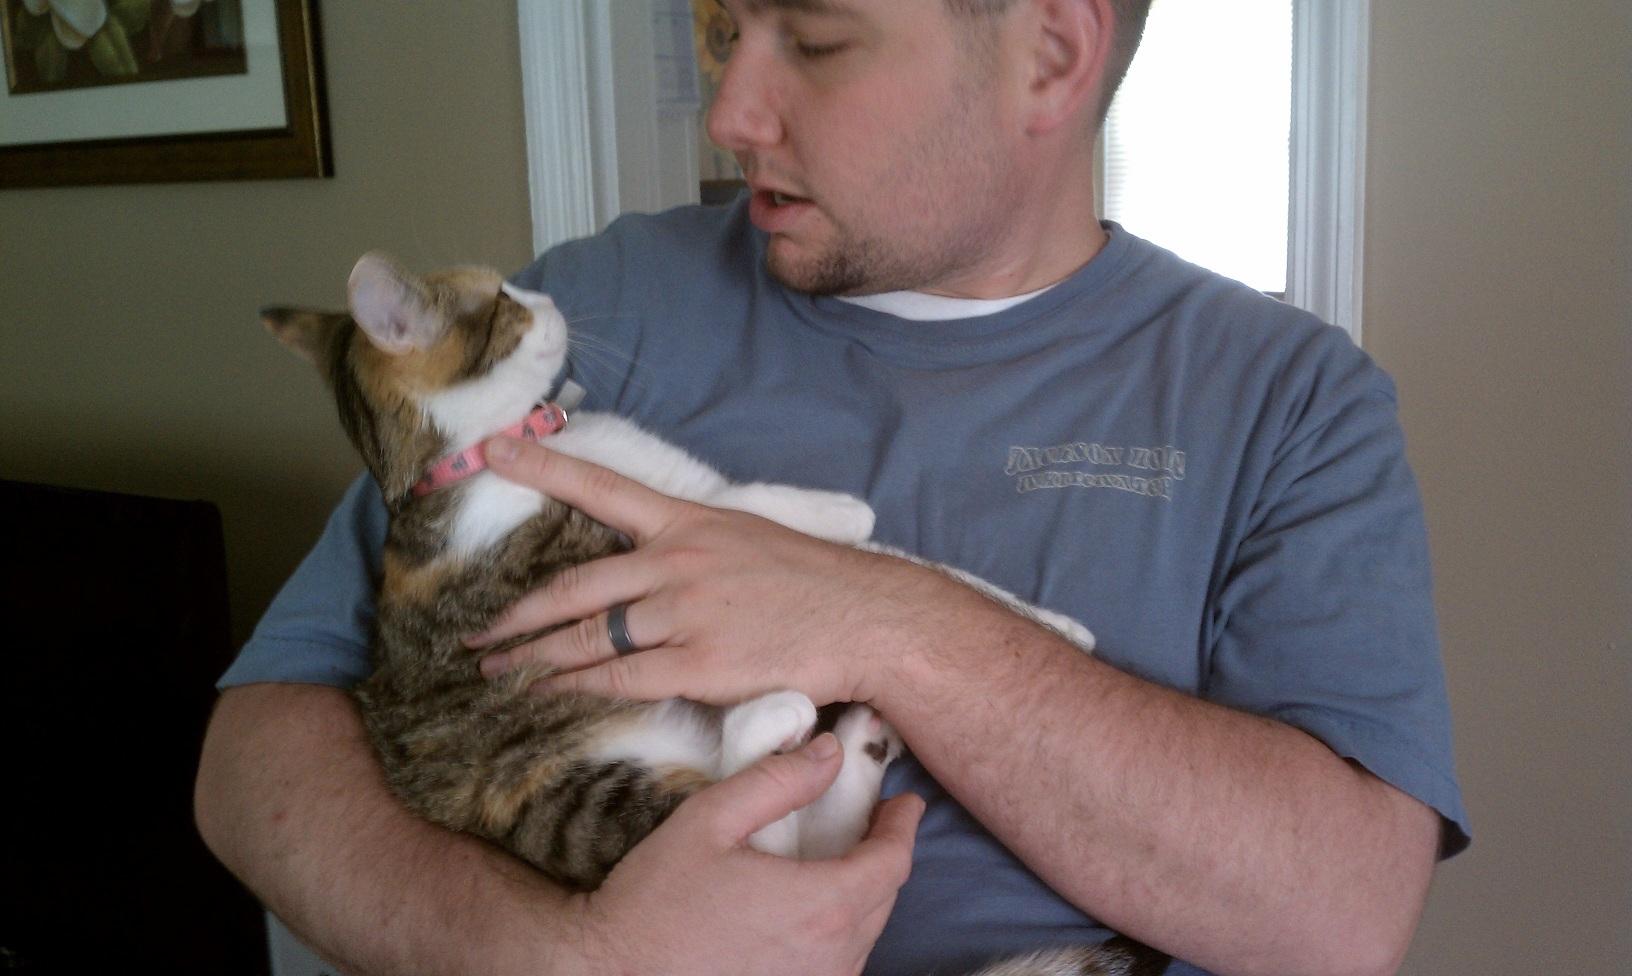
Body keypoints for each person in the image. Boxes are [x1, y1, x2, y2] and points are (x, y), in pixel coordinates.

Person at [195, 1, 1470, 974]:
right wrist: (578, 957)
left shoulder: (1291, 397)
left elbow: (1343, 908)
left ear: (1052, 56)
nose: (730, 112)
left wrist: (882, 620)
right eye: (723, 27)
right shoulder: (590, 304)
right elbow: (255, 758)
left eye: (813, 38)